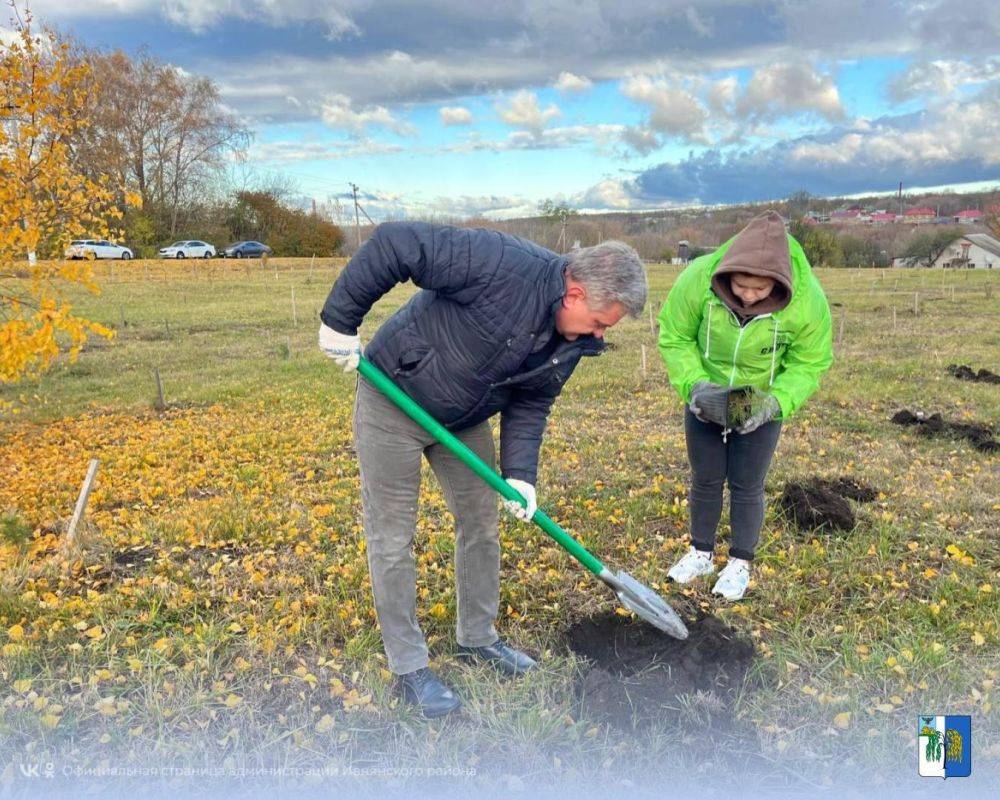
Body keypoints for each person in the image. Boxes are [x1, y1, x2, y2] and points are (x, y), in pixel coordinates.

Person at [318, 222, 646, 717]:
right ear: (575, 293)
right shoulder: (497, 261)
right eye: (601, 322)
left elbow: (533, 401)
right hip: (393, 397)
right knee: (392, 537)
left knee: (481, 523)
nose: (600, 335)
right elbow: (397, 244)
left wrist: (520, 474)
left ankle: (477, 639)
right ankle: (409, 668)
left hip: (463, 418)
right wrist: (340, 321)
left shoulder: (574, 339)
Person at [657, 211, 833, 601]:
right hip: (707, 396)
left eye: (760, 289)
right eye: (740, 285)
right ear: (727, 272)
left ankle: (739, 562)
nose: (748, 295)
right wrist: (694, 387)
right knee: (705, 476)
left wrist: (774, 403)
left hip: (759, 401)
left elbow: (809, 362)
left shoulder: (808, 301)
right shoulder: (697, 278)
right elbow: (674, 335)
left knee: (746, 483)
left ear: (780, 283)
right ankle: (700, 552)